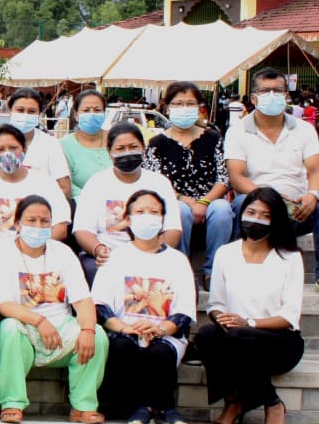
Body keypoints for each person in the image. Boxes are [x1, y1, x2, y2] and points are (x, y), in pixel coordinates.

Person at [0, 195, 108, 424]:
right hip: (24, 326)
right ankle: (12, 402)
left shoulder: (62, 252)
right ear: (17, 224)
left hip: (61, 329)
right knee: (10, 328)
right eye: (31, 220)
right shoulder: (3, 254)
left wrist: (87, 331)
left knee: (98, 335)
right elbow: (3, 304)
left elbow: (82, 300)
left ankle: (83, 407)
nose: (38, 226)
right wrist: (39, 321)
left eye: (45, 221)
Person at [195, 187, 306, 424]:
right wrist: (221, 318)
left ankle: (272, 404)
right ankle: (233, 401)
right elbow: (215, 304)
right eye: (251, 212)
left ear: (276, 220)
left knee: (239, 337)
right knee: (207, 335)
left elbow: (289, 316)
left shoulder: (289, 257)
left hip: (279, 340)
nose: (256, 220)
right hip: (235, 333)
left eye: (266, 216)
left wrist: (250, 323)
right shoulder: (226, 253)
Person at [90, 188, 196, 424]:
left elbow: (184, 312)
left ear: (163, 219)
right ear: (127, 219)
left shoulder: (177, 261)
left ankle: (154, 407)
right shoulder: (115, 257)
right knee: (123, 347)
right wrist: (125, 328)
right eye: (140, 211)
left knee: (159, 351)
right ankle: (150, 407)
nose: (147, 216)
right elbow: (100, 306)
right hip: (123, 331)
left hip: (164, 333)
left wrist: (159, 329)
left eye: (153, 212)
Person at [223, 67, 319, 256]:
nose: (272, 95)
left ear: (286, 96)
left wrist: (313, 195)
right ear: (253, 98)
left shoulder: (304, 129)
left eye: (278, 91)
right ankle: (240, 262)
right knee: (242, 204)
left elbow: (315, 170)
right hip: (256, 202)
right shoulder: (237, 131)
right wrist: (270, 198)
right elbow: (236, 177)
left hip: (297, 209)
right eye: (265, 91)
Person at [144, 81, 232, 285]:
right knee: (180, 211)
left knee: (223, 210)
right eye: (178, 104)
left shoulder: (213, 139)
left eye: (190, 103)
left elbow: (223, 178)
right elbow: (156, 181)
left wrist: (204, 202)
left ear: (199, 107)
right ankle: (181, 270)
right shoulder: (156, 144)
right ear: (167, 107)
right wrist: (187, 200)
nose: (184, 108)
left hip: (210, 200)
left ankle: (212, 271)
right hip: (174, 200)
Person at [74, 123, 182, 282]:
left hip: (152, 255)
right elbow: (83, 230)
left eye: (133, 147)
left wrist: (155, 254)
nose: (127, 153)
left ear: (143, 148)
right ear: (110, 152)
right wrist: (98, 249)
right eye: (120, 149)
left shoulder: (160, 183)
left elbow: (173, 229)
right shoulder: (96, 183)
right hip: (109, 257)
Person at [0, 124, 71, 253]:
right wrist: (2, 252)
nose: (8, 154)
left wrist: (30, 251)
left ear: (24, 150)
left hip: (38, 255)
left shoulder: (45, 183)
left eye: (13, 148)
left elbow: (60, 228)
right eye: (1, 149)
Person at [0, 87, 70, 198]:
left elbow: (65, 188)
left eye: (31, 111)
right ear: (10, 110)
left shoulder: (50, 144)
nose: (25, 115)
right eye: (20, 110)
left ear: (39, 113)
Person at [60, 89, 111, 202]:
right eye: (86, 110)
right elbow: (65, 182)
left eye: (97, 110)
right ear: (76, 115)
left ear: (104, 114)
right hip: (81, 203)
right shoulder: (64, 145)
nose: (92, 114)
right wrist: (90, 199)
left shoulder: (115, 139)